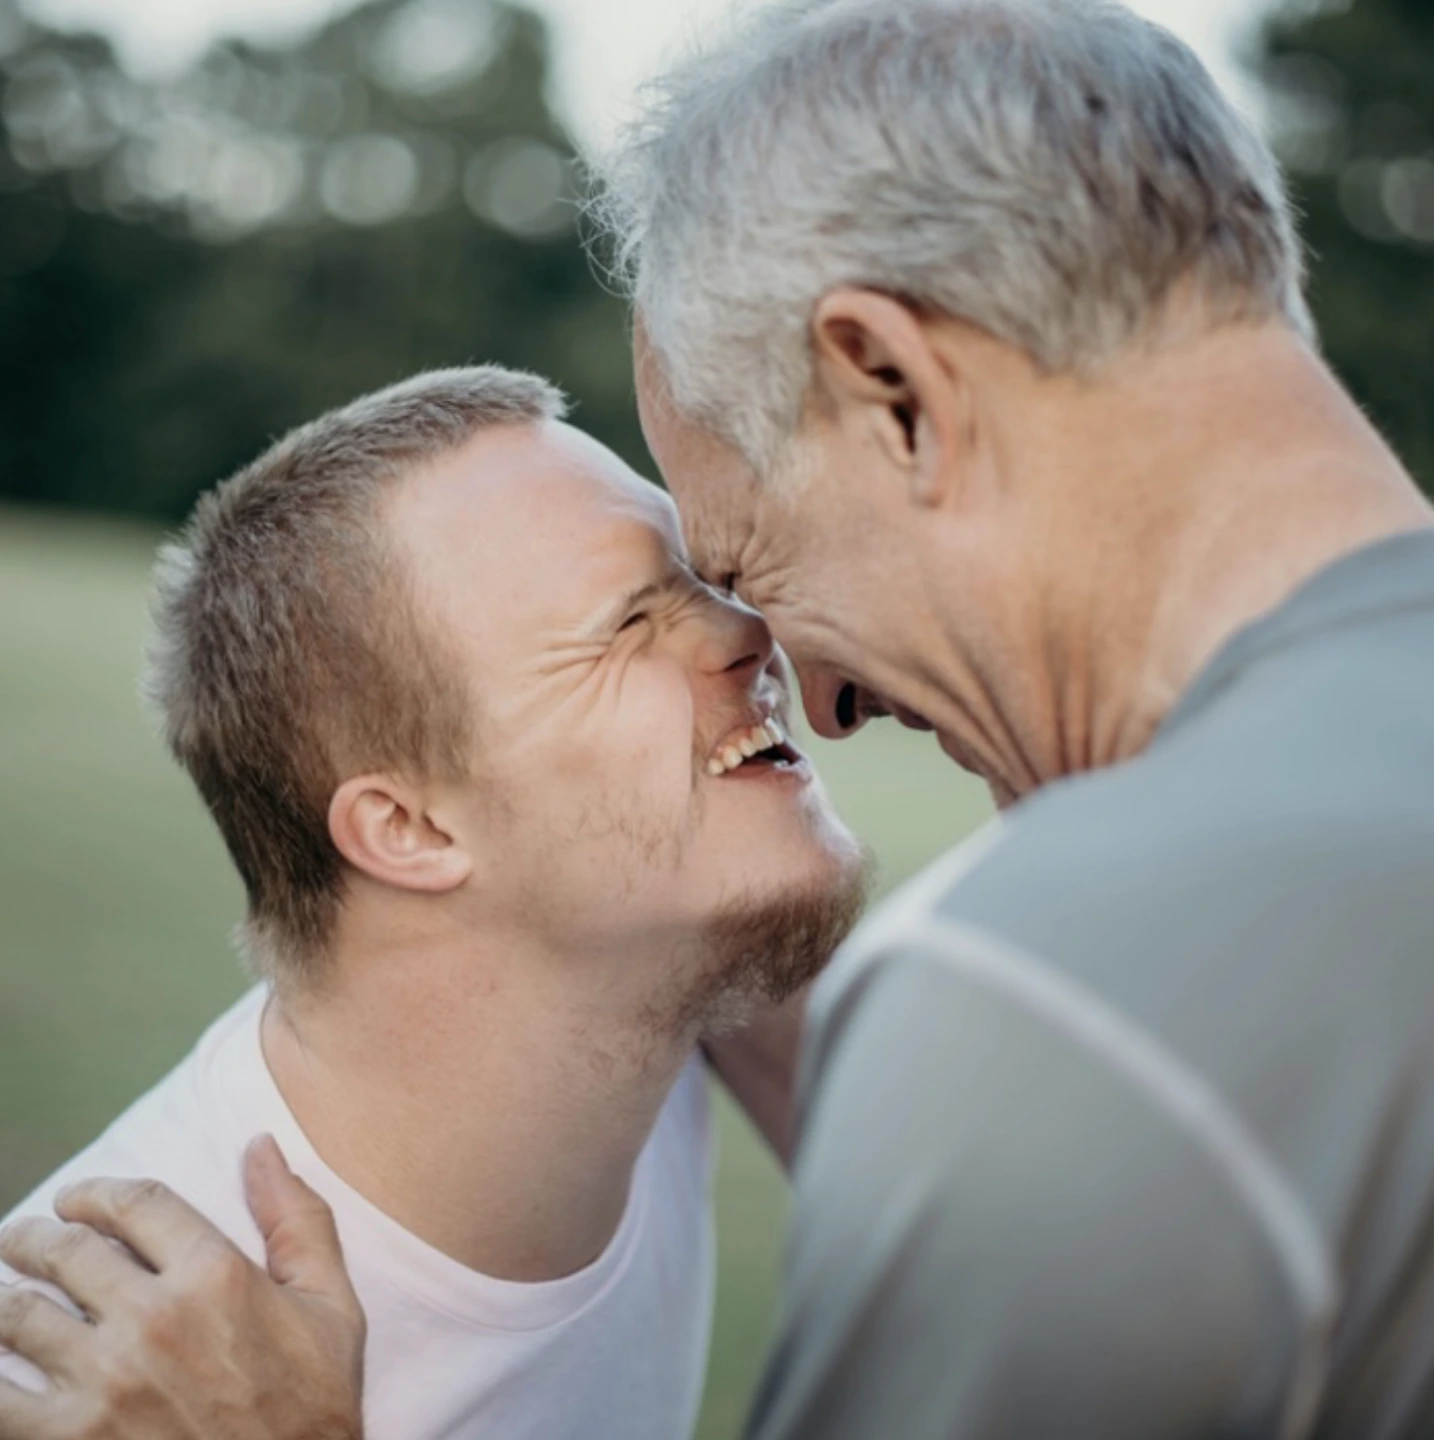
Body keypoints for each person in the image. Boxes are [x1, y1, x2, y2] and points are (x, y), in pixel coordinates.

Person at [4, 0, 1434, 1435]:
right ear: (404, 823)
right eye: (654, 612)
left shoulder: (1056, 1012)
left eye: (743, 562)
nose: (813, 692)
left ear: (895, 390)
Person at [0, 367, 866, 1440]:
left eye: (705, 574)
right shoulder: (106, 1379)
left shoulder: (662, 973)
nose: (750, 628)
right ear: (410, 829)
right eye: (631, 622)